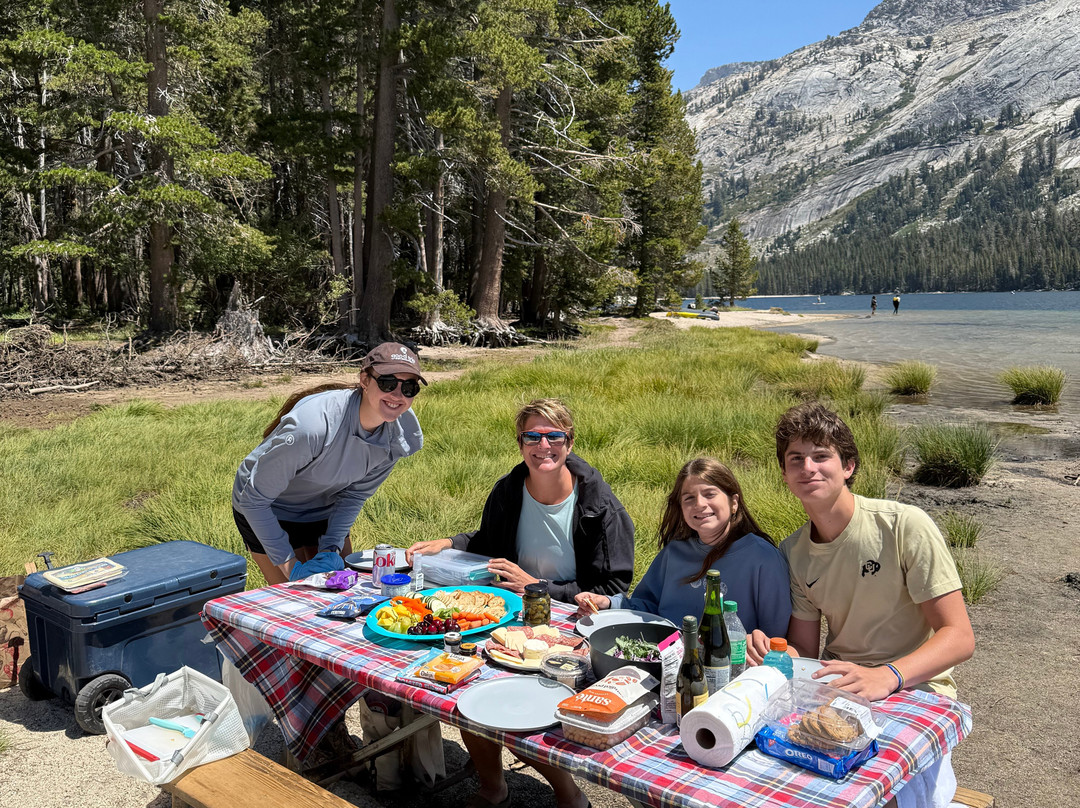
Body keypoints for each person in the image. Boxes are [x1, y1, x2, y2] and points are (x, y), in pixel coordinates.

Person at [408, 398, 633, 808]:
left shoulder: (600, 507)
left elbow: (614, 584)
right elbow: (490, 543)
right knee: (468, 693)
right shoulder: (510, 490)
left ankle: (570, 796)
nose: (543, 445)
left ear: (569, 442)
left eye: (554, 436)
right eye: (532, 435)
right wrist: (452, 543)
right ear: (520, 443)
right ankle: (493, 788)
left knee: (519, 710)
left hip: (569, 627)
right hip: (512, 620)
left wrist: (538, 586)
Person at [752, 402, 974, 807]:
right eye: (796, 459)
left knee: (882, 794)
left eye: (822, 456)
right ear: (785, 474)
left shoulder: (904, 524)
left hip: (916, 686)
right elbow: (806, 650)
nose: (809, 468)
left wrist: (886, 676)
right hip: (840, 686)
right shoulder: (794, 552)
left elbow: (958, 637)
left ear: (848, 466)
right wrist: (773, 653)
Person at [233, 342, 426, 585]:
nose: (398, 395)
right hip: (265, 506)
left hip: (323, 504)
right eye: (388, 383)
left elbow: (354, 496)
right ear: (365, 380)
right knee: (294, 596)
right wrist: (292, 569)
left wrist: (330, 548)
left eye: (409, 387)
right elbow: (254, 499)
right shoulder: (313, 426)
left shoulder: (400, 436)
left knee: (345, 591)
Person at [573, 457, 790, 637]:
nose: (700, 504)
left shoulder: (763, 559)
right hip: (665, 658)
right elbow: (648, 609)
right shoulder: (674, 553)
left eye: (709, 494)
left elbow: (777, 638)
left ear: (734, 502)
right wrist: (608, 603)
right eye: (689, 498)